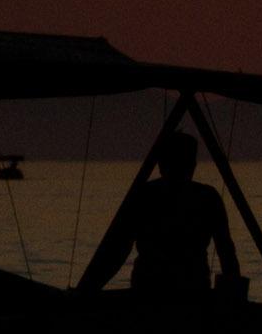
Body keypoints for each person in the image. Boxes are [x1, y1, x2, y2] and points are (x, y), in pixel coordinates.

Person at [81, 126, 242, 297]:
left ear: (160, 164)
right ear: (193, 165)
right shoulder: (207, 197)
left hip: (152, 289)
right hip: (189, 289)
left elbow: (119, 250)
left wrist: (88, 289)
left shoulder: (145, 195)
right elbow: (226, 252)